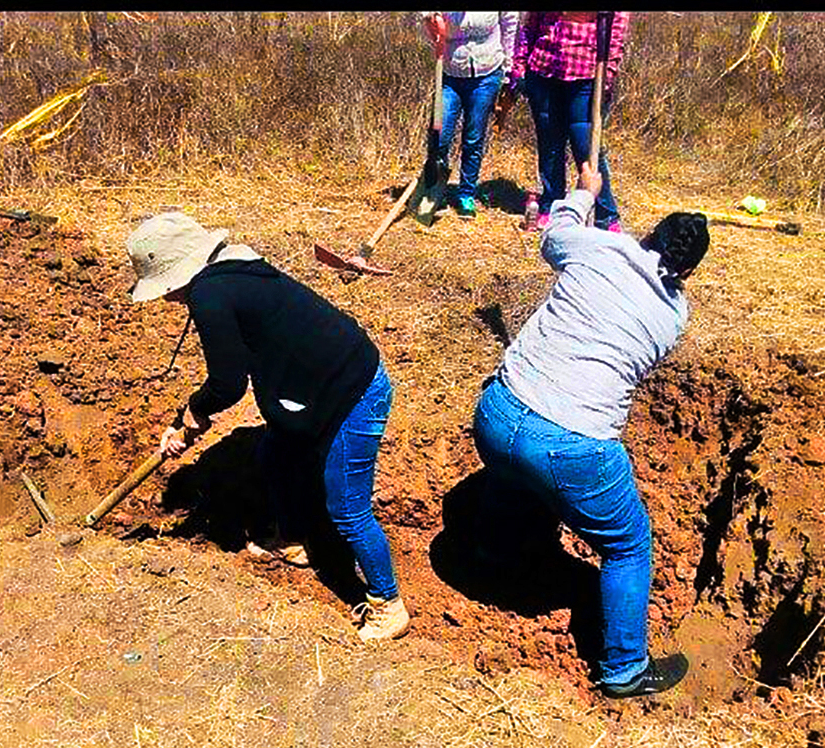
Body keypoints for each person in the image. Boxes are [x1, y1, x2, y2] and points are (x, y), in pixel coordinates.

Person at [470, 161, 709, 699]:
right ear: (687, 271)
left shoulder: (600, 247)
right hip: (571, 443)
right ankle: (624, 669)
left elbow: (554, 235)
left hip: (496, 413)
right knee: (628, 544)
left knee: (510, 471)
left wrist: (584, 193)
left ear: (646, 234)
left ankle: (491, 558)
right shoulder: (674, 314)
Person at [126, 212, 408, 643]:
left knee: (347, 507)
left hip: (353, 391)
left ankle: (388, 604)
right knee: (275, 454)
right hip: (317, 384)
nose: (165, 299)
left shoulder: (210, 297)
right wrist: (187, 418)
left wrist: (188, 420)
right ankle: (294, 539)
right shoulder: (232, 269)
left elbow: (227, 383)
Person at [502, 11, 630, 232]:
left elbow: (616, 31)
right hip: (543, 69)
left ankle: (605, 215)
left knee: (586, 146)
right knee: (550, 143)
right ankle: (552, 203)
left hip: (586, 73)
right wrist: (520, 65)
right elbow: (530, 25)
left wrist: (609, 73)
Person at [419, 12, 519, 219]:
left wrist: (509, 68)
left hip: (487, 72)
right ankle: (434, 194)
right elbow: (425, 17)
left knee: (474, 137)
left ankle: (466, 194)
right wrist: (430, 22)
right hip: (450, 73)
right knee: (440, 136)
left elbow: (510, 25)